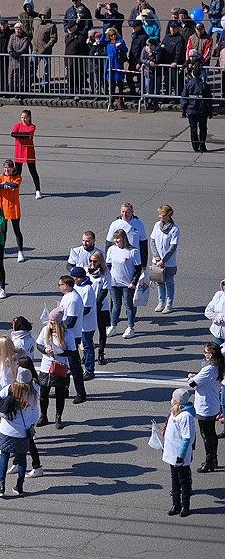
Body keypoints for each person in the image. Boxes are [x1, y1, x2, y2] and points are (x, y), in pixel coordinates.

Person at [0, 366, 40, 498]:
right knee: (22, 457)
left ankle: (1, 486)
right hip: (22, 432)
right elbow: (35, 416)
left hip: (6, 430)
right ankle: (19, 485)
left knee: (4, 456)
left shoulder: (9, 388)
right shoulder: (32, 395)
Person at [186, 343, 223, 473]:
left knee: (206, 435)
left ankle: (209, 462)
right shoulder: (218, 366)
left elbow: (192, 383)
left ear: (210, 355)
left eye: (205, 352)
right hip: (213, 404)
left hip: (205, 406)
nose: (204, 354)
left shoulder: (208, 369)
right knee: (212, 433)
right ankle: (214, 459)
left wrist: (191, 377)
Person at [36, 307, 73, 428]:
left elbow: (73, 352)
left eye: (53, 321)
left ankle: (58, 418)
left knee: (60, 394)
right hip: (46, 367)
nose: (50, 323)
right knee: (43, 394)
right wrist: (45, 350)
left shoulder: (67, 334)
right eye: (50, 320)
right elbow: (39, 344)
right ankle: (43, 416)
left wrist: (60, 353)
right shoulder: (45, 330)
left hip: (60, 367)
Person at [163, 389, 197, 516]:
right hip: (172, 452)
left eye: (173, 398)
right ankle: (175, 504)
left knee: (184, 481)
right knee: (174, 480)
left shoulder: (185, 416)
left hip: (179, 455)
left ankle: (185, 506)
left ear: (177, 400)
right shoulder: (175, 412)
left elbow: (186, 438)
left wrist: (181, 456)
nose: (171, 400)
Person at [106, 227, 143, 339]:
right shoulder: (111, 249)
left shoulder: (133, 251)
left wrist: (133, 282)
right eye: (115, 238)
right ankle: (113, 325)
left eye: (119, 238)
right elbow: (108, 265)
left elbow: (138, 268)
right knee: (116, 305)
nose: (117, 241)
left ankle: (131, 327)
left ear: (124, 238)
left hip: (127, 284)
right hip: (114, 283)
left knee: (129, 306)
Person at [0, 159, 25, 261]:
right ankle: (1, 251)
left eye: (8, 168)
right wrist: (3, 185)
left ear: (13, 168)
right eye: (5, 168)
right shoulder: (1, 177)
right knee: (2, 231)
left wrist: (7, 183)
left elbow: (15, 185)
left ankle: (20, 252)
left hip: (14, 208)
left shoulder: (17, 177)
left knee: (17, 230)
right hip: (3, 208)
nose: (6, 170)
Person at [150, 204, 180, 314]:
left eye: (162, 215)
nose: (159, 217)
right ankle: (161, 302)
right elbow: (152, 241)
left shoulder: (175, 229)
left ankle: (169, 304)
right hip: (157, 260)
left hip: (169, 263)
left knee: (169, 282)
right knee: (160, 282)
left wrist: (164, 260)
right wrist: (157, 257)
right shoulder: (157, 225)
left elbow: (173, 247)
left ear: (168, 215)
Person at [180, 56, 212, 153]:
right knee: (203, 128)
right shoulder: (204, 85)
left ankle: (195, 146)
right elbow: (208, 100)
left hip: (191, 110)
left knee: (193, 128)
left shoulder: (189, 85)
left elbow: (184, 98)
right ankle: (202, 145)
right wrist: (210, 111)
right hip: (202, 111)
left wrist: (184, 110)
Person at [10, 109, 42, 198]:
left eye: (25, 118)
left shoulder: (32, 126)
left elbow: (27, 135)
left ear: (29, 118)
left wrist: (19, 134)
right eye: (22, 117)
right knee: (17, 172)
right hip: (19, 151)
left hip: (28, 152)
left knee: (33, 171)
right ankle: (16, 188)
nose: (23, 119)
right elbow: (13, 134)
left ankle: (38, 190)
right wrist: (21, 134)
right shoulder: (17, 125)